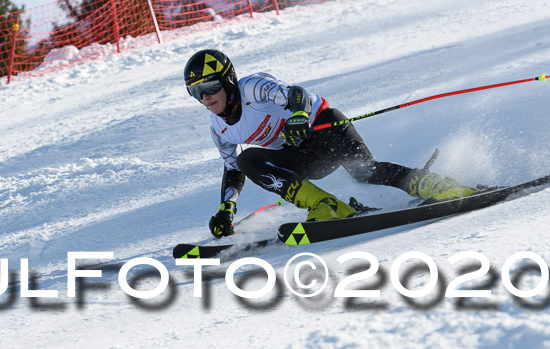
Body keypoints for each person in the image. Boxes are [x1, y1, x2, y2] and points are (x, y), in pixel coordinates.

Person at [183, 49, 481, 238]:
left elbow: (294, 94)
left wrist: (298, 117)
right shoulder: (219, 128)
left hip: (325, 128)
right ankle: (327, 207)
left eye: (210, 86)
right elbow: (233, 170)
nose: (206, 98)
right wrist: (227, 208)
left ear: (228, 80)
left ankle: (439, 186)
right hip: (300, 158)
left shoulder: (253, 87)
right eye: (196, 92)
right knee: (248, 161)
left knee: (365, 172)